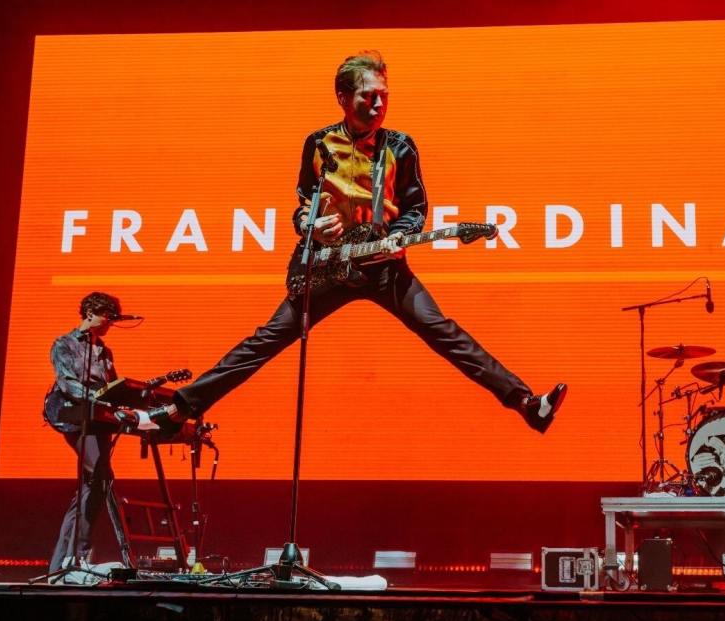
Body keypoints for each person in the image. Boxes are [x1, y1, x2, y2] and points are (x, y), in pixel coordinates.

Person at [118, 51, 565, 437]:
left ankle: (527, 404)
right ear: (343, 98)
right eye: (369, 95)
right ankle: (179, 409)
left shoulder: (401, 147)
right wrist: (310, 226)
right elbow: (301, 204)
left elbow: (415, 206)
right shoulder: (318, 143)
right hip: (327, 265)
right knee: (265, 341)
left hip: (384, 266)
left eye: (384, 95)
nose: (378, 104)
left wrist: (396, 237)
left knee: (442, 330)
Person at [46, 292, 131, 572]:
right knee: (99, 476)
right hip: (74, 414)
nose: (110, 322)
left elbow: (111, 386)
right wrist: (97, 400)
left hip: (99, 418)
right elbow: (67, 383)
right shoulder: (65, 343)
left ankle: (64, 561)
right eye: (107, 316)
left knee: (93, 484)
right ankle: (75, 554)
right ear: (90, 313)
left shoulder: (105, 351)